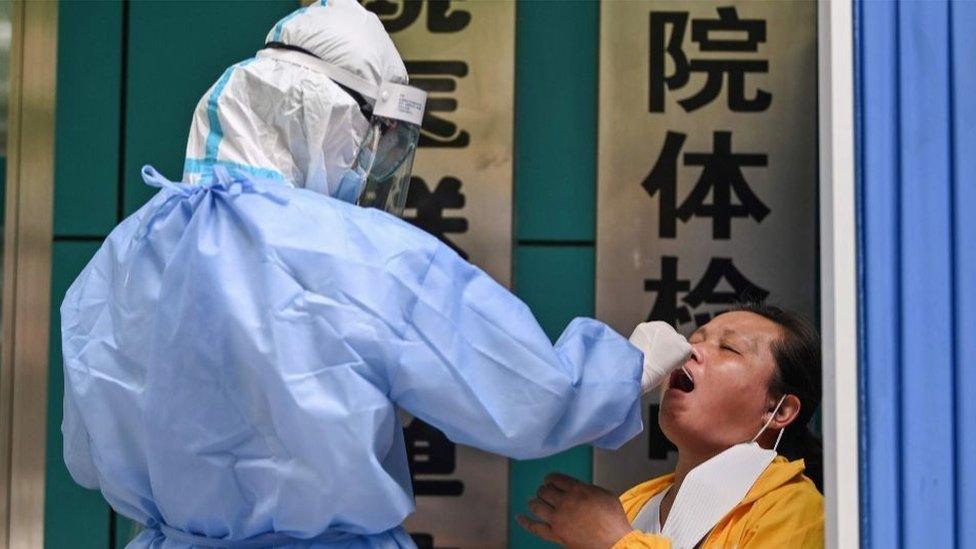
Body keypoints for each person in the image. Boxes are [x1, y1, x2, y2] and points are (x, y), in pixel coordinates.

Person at [59, 1, 692, 547]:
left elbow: (86, 455)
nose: (366, 165)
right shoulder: (358, 251)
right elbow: (523, 394)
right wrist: (623, 371)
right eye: (368, 141)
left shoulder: (125, 249)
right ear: (330, 122)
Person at [519, 303, 824, 548]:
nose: (689, 351)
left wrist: (617, 542)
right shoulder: (634, 503)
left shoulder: (797, 510)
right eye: (692, 341)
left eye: (728, 348)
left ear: (779, 409)